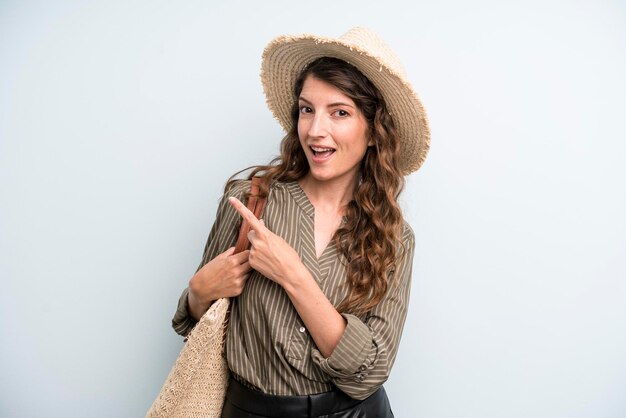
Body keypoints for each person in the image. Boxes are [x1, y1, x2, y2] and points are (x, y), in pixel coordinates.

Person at [172, 27, 430, 418]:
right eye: (307, 109)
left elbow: (370, 372)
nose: (314, 130)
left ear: (374, 132)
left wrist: (293, 275)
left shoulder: (393, 238)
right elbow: (198, 326)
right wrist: (197, 293)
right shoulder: (250, 201)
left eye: (339, 112)